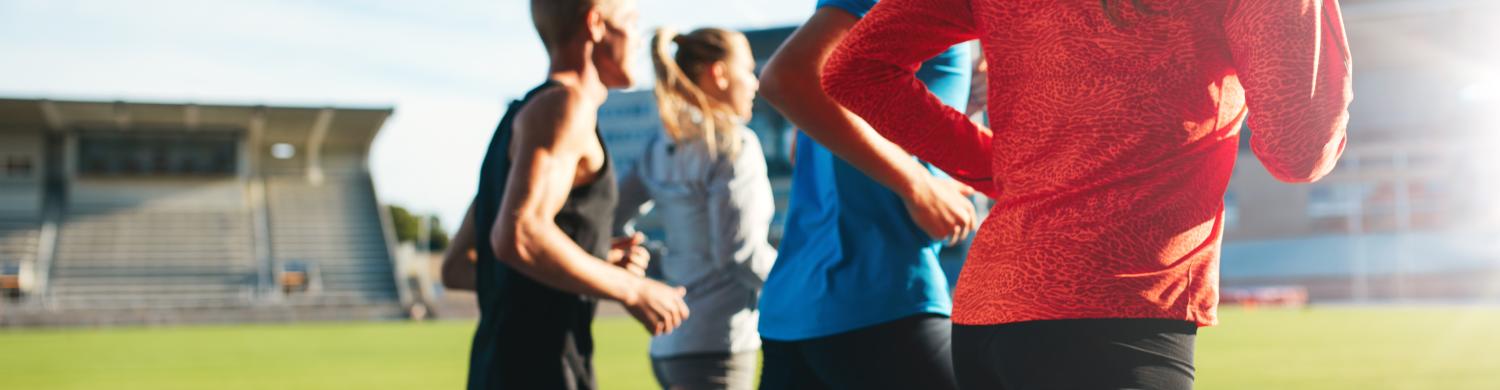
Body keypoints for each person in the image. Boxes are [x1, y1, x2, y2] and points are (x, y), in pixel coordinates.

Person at [821, 0, 1352, 388]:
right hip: (1115, 309)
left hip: (990, 311)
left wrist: (1006, 170)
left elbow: (854, 70)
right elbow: (1298, 153)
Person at [440, 1, 691, 388]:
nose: (639, 39)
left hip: (497, 368)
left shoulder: (519, 116)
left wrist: (595, 262)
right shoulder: (564, 107)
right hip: (542, 371)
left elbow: (460, 265)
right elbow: (518, 236)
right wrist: (633, 288)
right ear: (595, 24)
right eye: (630, 23)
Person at [752, 0, 979, 388]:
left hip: (798, 307)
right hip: (876, 290)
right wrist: (918, 185)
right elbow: (788, 79)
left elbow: (808, 141)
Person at [610, 27, 776, 390]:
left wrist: (660, 262)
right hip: (717, 345)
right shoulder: (735, 146)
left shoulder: (660, 146)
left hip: (669, 344)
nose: (755, 83)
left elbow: (610, 217)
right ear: (718, 73)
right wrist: (800, 279)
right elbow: (740, 254)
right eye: (747, 70)